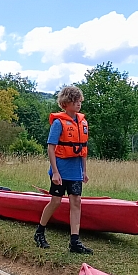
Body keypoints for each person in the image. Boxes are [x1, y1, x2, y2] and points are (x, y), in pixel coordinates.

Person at [34, 86, 93, 254]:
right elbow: (51, 148)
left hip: (75, 171)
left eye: (80, 101)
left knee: (76, 203)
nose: (78, 104)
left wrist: (84, 171)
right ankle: (40, 232)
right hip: (61, 170)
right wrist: (55, 172)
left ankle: (75, 242)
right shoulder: (59, 123)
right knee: (56, 202)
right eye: (75, 101)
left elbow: (83, 149)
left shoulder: (82, 123)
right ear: (66, 103)